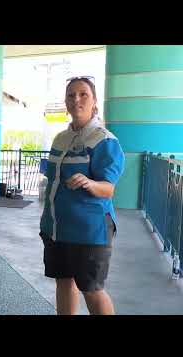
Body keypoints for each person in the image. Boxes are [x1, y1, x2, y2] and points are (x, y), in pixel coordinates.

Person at [39, 76, 125, 315]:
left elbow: (108, 189)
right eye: (71, 95)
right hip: (56, 227)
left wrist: (89, 182)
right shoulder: (60, 139)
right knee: (63, 281)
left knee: (92, 289)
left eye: (83, 94)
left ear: (94, 101)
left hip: (89, 231)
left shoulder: (104, 140)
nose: (76, 99)